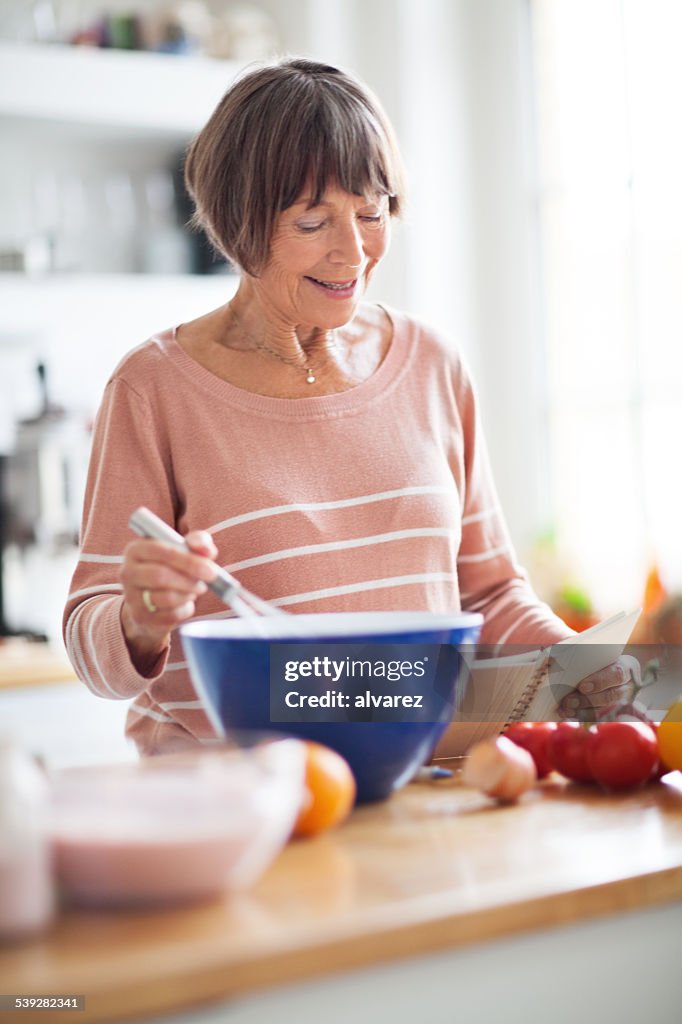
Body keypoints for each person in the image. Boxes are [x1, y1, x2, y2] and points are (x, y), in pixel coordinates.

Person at [63, 57, 636, 756]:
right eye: (312, 221)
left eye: (372, 212)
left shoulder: (432, 363)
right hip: (246, 802)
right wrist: (139, 621)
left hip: (421, 786)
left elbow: (486, 595)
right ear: (237, 221)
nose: (354, 251)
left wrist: (587, 671)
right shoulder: (154, 389)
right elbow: (90, 638)